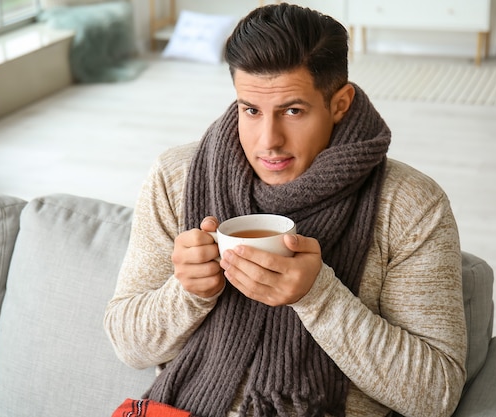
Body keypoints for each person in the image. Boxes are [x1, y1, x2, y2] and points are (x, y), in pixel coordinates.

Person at [104, 3, 467, 417]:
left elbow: (436, 395)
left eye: (293, 111)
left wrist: (318, 297)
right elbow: (128, 345)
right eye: (250, 110)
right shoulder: (177, 178)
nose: (268, 141)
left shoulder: (410, 205)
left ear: (340, 103)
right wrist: (187, 292)